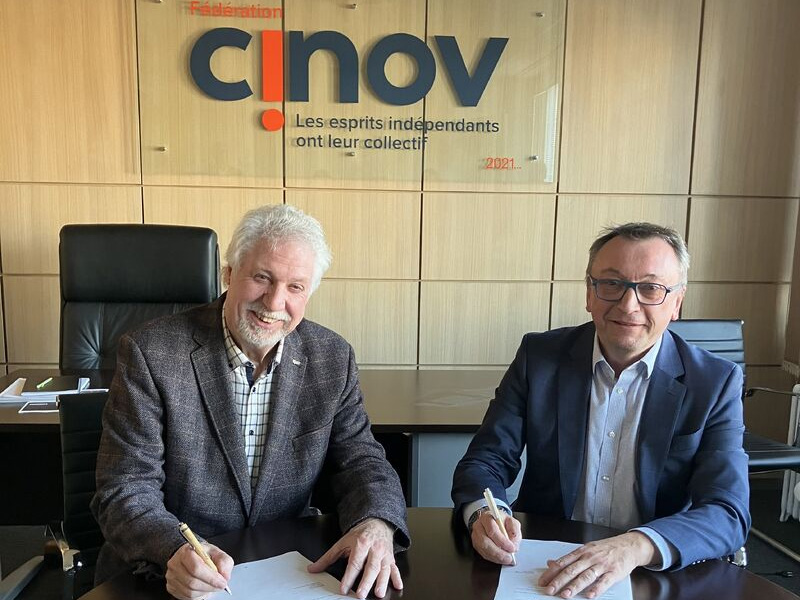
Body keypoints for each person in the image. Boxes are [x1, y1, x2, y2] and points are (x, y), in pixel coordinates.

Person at [92, 204, 409, 600]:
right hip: (168, 577)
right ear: (229, 274)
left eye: (295, 287)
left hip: (287, 572)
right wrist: (173, 548)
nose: (274, 302)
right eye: (262, 277)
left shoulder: (332, 358)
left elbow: (361, 461)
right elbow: (125, 487)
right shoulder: (151, 353)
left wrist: (376, 523)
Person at [452, 222, 750, 599]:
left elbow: (726, 511)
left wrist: (636, 545)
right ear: (589, 293)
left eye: (651, 288)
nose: (628, 305)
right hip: (543, 566)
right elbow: (486, 459)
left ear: (676, 302)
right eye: (611, 284)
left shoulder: (714, 382)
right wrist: (485, 513)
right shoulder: (539, 358)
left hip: (650, 572)